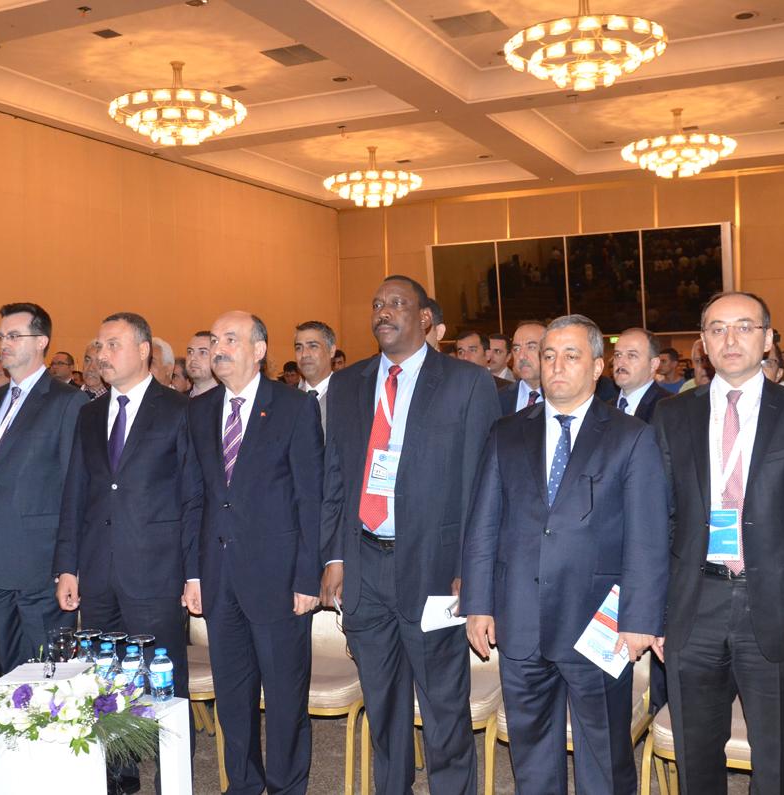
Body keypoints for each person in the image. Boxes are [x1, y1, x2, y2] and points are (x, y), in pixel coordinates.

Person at [462, 314, 669, 794]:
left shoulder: (631, 436)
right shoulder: (506, 432)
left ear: (597, 366)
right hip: (520, 619)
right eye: (549, 355)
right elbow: (483, 525)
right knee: (531, 755)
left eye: (571, 355)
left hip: (599, 624)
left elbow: (648, 537)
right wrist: (478, 603)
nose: (556, 365)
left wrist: (640, 618)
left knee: (604, 756)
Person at [320, 275, 499, 795]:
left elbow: (482, 485)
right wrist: (335, 557)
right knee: (383, 705)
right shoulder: (349, 384)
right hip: (365, 563)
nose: (383, 311)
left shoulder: (467, 383)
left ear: (424, 318)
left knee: (443, 708)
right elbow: (336, 477)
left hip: (435, 568)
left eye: (397, 303)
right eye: (377, 303)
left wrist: (470, 570)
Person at [651, 291, 784, 795]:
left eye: (744, 327)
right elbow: (658, 520)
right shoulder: (671, 415)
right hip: (693, 603)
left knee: (775, 756)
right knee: (695, 752)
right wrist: (653, 611)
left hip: (777, 605)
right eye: (717, 329)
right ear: (703, 343)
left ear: (768, 339)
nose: (730, 339)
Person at [56, 312, 198, 794]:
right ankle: (119, 773)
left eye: (113, 345)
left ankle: (171, 775)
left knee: (163, 681)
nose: (101, 355)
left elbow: (192, 496)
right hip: (98, 569)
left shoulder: (178, 410)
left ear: (143, 351)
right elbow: (76, 493)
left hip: (156, 569)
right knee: (107, 679)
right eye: (99, 346)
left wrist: (192, 572)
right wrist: (67, 566)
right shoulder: (90, 414)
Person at [182, 311, 322, 795]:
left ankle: (286, 785)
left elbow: (311, 498)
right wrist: (192, 573)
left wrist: (308, 577)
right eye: (214, 339)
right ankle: (242, 783)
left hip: (279, 579)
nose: (218, 348)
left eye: (230, 339)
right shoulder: (199, 411)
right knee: (233, 696)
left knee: (284, 698)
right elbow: (194, 497)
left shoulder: (293, 407)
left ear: (259, 350)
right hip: (218, 578)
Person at [0, 303, 88, 670]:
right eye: (1, 336)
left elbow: (75, 487)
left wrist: (68, 564)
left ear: (41, 342)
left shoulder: (68, 401)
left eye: (14, 336)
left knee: (47, 670)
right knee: (9, 665)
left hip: (41, 561)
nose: (4, 343)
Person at [610, 327, 671, 422]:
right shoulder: (604, 409)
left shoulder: (669, 408)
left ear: (653, 364)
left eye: (632, 355)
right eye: (618, 355)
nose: (620, 362)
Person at [294, 320, 336, 437]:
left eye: (313, 346)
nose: (304, 354)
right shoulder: (286, 399)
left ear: (331, 351)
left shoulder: (350, 396)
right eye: (299, 348)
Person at [497, 321, 545, 415]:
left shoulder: (566, 397)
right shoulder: (499, 398)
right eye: (516, 349)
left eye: (531, 347)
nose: (521, 356)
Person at [185, 330, 219, 397]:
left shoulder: (226, 400)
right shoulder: (178, 400)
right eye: (190, 352)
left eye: (202, 352)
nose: (192, 358)